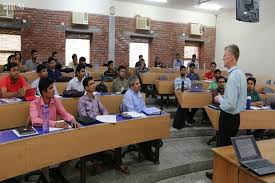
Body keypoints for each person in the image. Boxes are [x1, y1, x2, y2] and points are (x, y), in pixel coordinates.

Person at [207, 44, 247, 180]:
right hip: (236, 117)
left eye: (224, 56)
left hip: (228, 117)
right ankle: (225, 174)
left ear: (230, 57)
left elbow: (229, 104)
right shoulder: (241, 73)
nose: (223, 58)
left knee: (222, 148)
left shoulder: (233, 76)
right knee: (228, 148)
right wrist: (225, 99)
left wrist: (219, 99)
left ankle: (219, 175)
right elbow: (236, 100)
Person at [78, 76, 130, 174]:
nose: (94, 85)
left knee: (117, 133)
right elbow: (83, 117)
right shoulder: (82, 100)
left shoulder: (96, 98)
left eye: (94, 83)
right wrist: (96, 119)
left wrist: (105, 117)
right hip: (90, 127)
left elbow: (104, 109)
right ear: (86, 88)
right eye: (91, 84)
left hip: (100, 123)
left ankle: (119, 163)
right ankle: (95, 162)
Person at [122, 76, 159, 162]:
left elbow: (143, 106)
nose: (139, 85)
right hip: (133, 120)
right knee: (147, 129)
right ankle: (147, 152)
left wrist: (147, 113)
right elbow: (131, 112)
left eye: (139, 83)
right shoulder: (128, 95)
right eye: (137, 83)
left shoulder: (138, 93)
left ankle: (150, 146)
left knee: (155, 123)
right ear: (131, 85)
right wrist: (143, 116)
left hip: (142, 117)